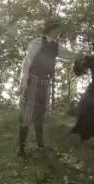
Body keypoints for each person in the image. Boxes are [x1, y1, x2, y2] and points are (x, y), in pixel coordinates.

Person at [17, 19, 74, 157]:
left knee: (40, 113)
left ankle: (40, 145)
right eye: (56, 29)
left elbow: (69, 55)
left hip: (45, 82)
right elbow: (27, 61)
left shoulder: (56, 46)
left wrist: (83, 56)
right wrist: (24, 83)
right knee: (27, 114)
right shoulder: (37, 42)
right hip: (33, 80)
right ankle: (21, 149)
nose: (58, 32)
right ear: (50, 29)